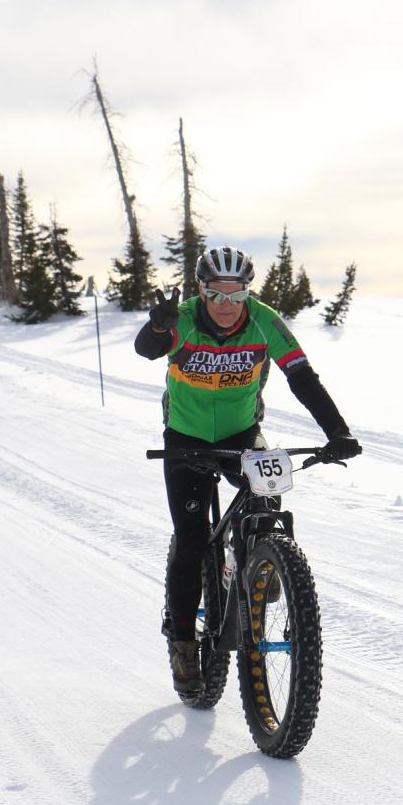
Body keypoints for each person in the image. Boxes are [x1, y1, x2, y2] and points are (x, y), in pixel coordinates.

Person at [135, 244, 361, 692]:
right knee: (193, 536)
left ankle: (262, 564)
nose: (226, 305)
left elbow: (302, 378)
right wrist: (156, 328)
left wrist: (338, 432)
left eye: (236, 295)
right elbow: (147, 349)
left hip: (241, 432)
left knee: (266, 502)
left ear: (247, 293)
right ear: (200, 290)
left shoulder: (263, 320)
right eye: (216, 294)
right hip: (185, 437)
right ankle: (183, 644)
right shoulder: (179, 318)